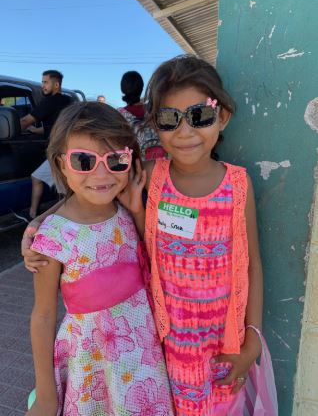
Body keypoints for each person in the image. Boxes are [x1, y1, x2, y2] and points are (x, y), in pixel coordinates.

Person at [23, 55, 277, 415]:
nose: (185, 132)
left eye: (200, 115)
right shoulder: (151, 176)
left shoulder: (238, 184)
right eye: (170, 120)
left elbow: (251, 264)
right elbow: (92, 189)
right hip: (161, 349)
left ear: (222, 116)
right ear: (155, 125)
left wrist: (252, 337)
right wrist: (37, 227)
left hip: (221, 345)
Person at [25, 101, 174, 416]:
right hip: (92, 364)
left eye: (116, 159)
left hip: (143, 357)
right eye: (84, 160)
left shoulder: (125, 210)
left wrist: (136, 210)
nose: (102, 174)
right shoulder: (52, 236)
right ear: (61, 164)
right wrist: (47, 395)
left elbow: (150, 261)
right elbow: (42, 316)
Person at [20, 70, 72, 220]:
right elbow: (53, 125)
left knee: (65, 191)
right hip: (64, 151)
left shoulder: (50, 101)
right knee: (38, 178)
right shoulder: (67, 101)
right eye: (42, 82)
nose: (43, 85)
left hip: (59, 153)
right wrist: (36, 130)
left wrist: (10, 126)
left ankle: (64, 219)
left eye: (45, 82)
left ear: (56, 85)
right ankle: (33, 214)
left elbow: (24, 121)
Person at [118, 70, 165, 161]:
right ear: (142, 87)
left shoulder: (119, 115)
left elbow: (120, 146)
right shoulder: (155, 110)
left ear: (123, 89)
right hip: (161, 164)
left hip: (136, 167)